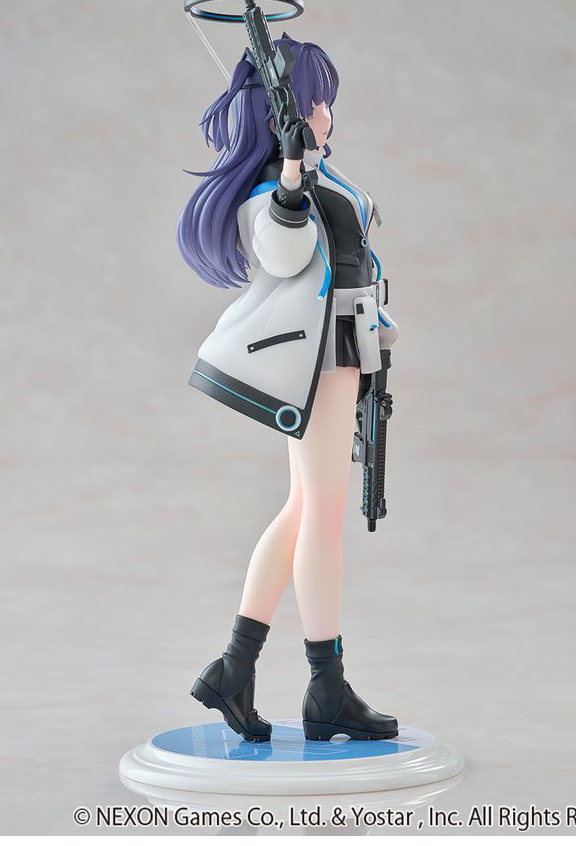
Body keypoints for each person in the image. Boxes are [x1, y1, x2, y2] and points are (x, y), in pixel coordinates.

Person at [177, 36, 399, 742]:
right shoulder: (274, 191)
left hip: (346, 348)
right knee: (322, 516)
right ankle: (325, 685)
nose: (328, 112)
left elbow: (353, 263)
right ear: (289, 115)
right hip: (316, 360)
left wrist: (379, 332)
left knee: (305, 509)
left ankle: (235, 668)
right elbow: (282, 253)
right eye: (316, 101)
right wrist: (293, 179)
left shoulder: (325, 175)